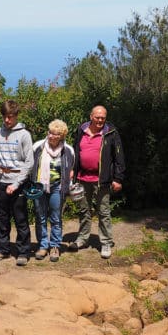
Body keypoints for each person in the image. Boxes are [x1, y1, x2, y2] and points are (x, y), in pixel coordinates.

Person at [72, 105, 126, 257]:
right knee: (84, 210)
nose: (100, 120)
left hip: (102, 180)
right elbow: (75, 152)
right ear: (91, 116)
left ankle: (106, 243)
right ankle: (83, 238)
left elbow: (119, 157)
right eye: (97, 117)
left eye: (103, 117)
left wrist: (118, 178)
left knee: (103, 212)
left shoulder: (111, 133)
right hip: (82, 179)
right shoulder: (81, 130)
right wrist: (72, 171)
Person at [0, 99, 34, 266]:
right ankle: (3, 249)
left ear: (16, 115)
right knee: (1, 217)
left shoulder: (24, 135)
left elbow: (29, 163)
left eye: (10, 117)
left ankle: (23, 251)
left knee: (20, 218)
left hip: (18, 182)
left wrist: (16, 184)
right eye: (5, 117)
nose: (7, 120)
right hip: (1, 181)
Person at [30, 120, 76, 263]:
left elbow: (70, 169)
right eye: (50, 132)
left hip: (57, 187)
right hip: (39, 186)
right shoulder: (38, 146)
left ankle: (55, 246)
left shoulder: (68, 150)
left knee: (56, 218)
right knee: (40, 216)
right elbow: (30, 165)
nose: (51, 136)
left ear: (61, 136)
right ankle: (43, 245)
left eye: (55, 134)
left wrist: (69, 185)